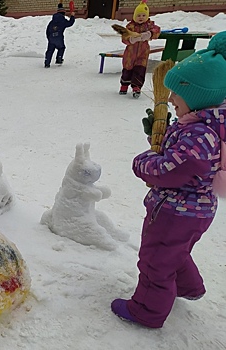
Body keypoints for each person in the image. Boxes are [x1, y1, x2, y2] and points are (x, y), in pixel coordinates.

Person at [111, 31, 226, 328]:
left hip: (176, 210)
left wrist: (143, 162)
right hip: (194, 211)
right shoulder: (206, 123)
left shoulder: (198, 133)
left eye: (177, 94)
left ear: (198, 98)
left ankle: (146, 311)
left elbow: (172, 169)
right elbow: (187, 156)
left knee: (155, 259)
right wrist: (158, 137)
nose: (171, 98)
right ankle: (188, 287)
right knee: (175, 250)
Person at [119, 0, 160, 98]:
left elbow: (157, 30)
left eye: (143, 15)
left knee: (140, 70)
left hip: (143, 53)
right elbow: (124, 38)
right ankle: (124, 85)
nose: (141, 18)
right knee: (127, 70)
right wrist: (131, 39)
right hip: (130, 54)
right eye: (138, 15)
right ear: (134, 16)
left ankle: (136, 87)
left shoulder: (149, 25)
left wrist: (150, 34)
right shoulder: (130, 26)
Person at [44, 3, 75, 68]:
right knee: (61, 48)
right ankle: (59, 59)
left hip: (51, 38)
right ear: (63, 13)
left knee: (50, 50)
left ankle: (47, 63)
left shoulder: (52, 22)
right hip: (59, 38)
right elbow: (70, 23)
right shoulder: (62, 21)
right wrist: (72, 16)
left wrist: (49, 38)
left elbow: (47, 31)